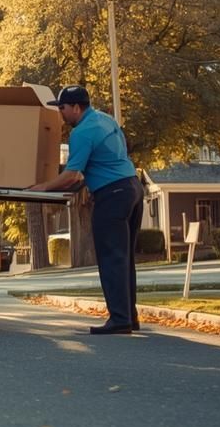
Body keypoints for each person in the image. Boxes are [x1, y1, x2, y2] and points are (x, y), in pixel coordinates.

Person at [30, 85, 143, 335]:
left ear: (76, 108)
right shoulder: (106, 119)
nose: (60, 114)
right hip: (133, 188)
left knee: (111, 258)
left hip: (112, 195)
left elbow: (70, 175)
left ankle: (120, 320)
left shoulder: (82, 132)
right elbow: (100, 163)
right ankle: (130, 316)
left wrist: (43, 187)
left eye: (62, 108)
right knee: (124, 258)